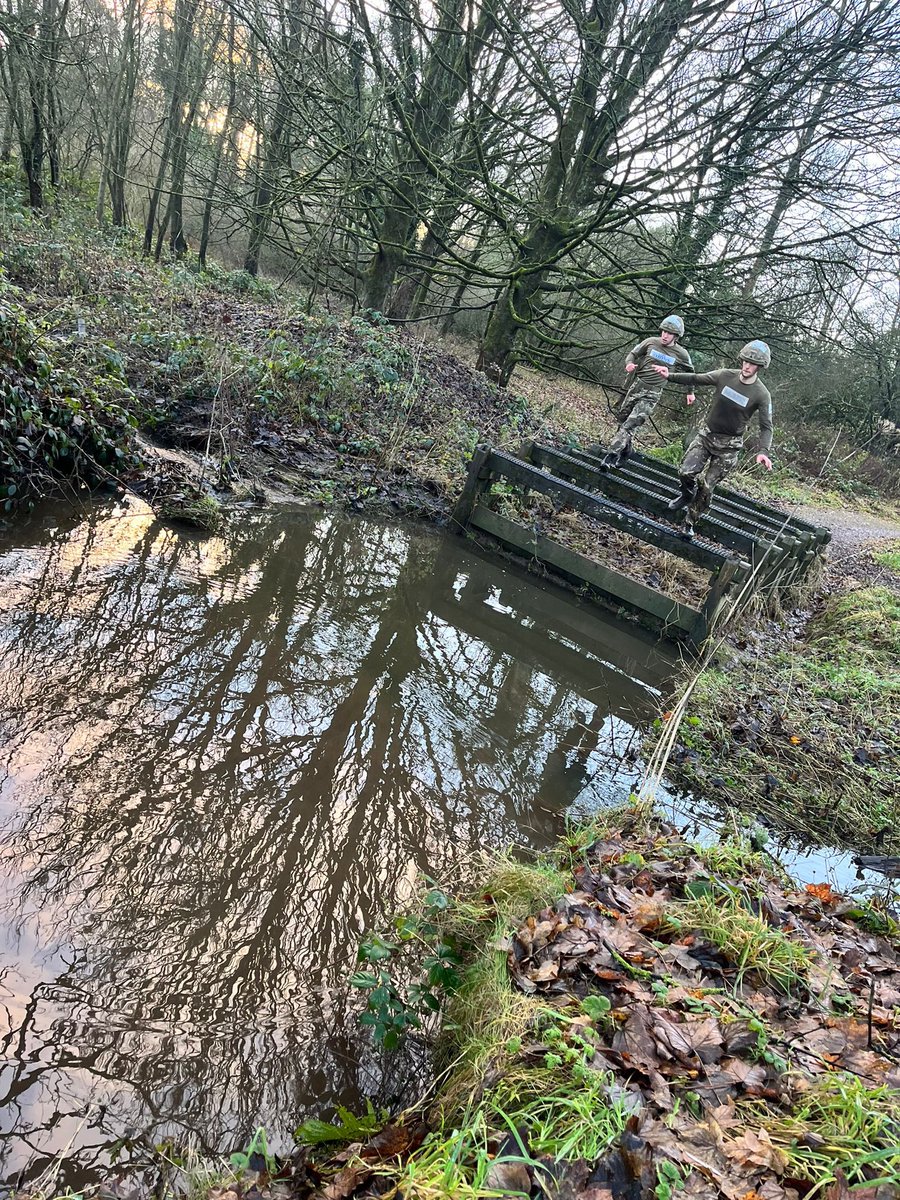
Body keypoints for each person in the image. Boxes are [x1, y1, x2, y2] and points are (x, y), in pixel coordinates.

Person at [656, 340, 774, 538]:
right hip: (706, 436)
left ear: (759, 367)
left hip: (729, 447)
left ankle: (689, 523)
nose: (747, 366)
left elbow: (766, 426)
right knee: (686, 472)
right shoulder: (725, 375)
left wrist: (763, 451)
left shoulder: (762, 394)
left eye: (752, 364)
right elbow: (697, 377)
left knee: (707, 487)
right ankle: (686, 495)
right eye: (745, 361)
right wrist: (670, 376)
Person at [599, 315, 696, 469]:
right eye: (663, 332)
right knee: (622, 421)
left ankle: (610, 456)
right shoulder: (651, 342)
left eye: (669, 333)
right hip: (637, 386)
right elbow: (633, 353)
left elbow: (691, 374)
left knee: (630, 424)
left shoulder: (681, 354)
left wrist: (690, 392)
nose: (665, 335)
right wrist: (629, 363)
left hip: (653, 393)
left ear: (676, 336)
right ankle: (627, 451)